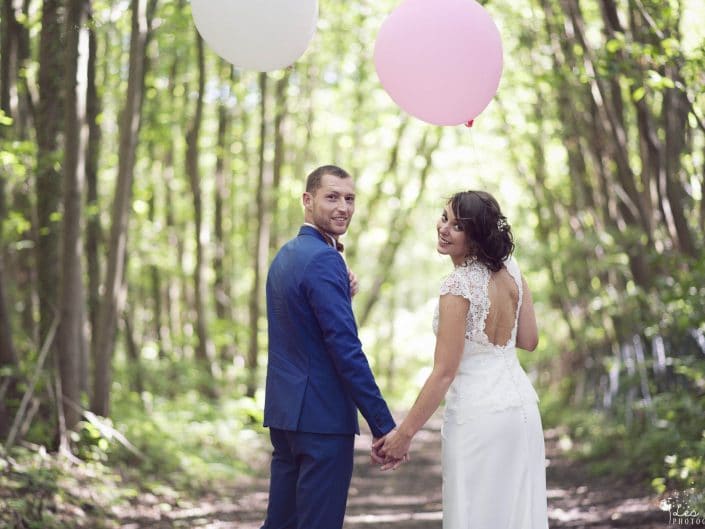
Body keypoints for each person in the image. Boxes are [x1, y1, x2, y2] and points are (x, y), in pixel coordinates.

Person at [373, 190, 549, 528]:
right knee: (516, 514)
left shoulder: (457, 286)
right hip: (522, 410)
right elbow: (529, 341)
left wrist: (404, 434)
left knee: (474, 513)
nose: (443, 229)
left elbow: (443, 373)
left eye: (457, 226)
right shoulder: (514, 273)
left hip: (478, 417)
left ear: (477, 235)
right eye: (444, 218)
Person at [261, 165, 399, 529]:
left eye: (350, 198)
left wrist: (342, 285)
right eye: (332, 196)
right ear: (307, 200)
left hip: (286, 416)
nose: (343, 207)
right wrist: (383, 425)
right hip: (322, 420)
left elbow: (304, 326)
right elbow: (344, 348)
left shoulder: (286, 256)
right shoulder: (324, 259)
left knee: (281, 524)